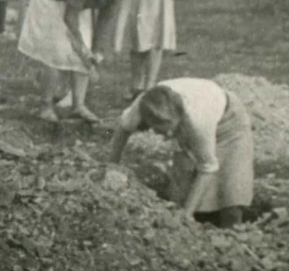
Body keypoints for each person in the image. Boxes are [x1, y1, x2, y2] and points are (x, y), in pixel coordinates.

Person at [108, 78, 253, 228]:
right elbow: (122, 130)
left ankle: (231, 231)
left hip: (228, 122)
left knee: (231, 191)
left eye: (171, 130)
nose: (167, 135)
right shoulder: (142, 107)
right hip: (194, 116)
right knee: (181, 194)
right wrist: (111, 168)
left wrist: (186, 214)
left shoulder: (197, 122)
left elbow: (207, 168)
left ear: (180, 119)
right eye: (159, 131)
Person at [18, 0, 135, 124]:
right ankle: (45, 106)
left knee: (85, 54)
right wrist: (82, 50)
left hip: (76, 3)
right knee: (55, 52)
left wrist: (96, 53)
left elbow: (105, 24)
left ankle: (78, 105)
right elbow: (70, 19)